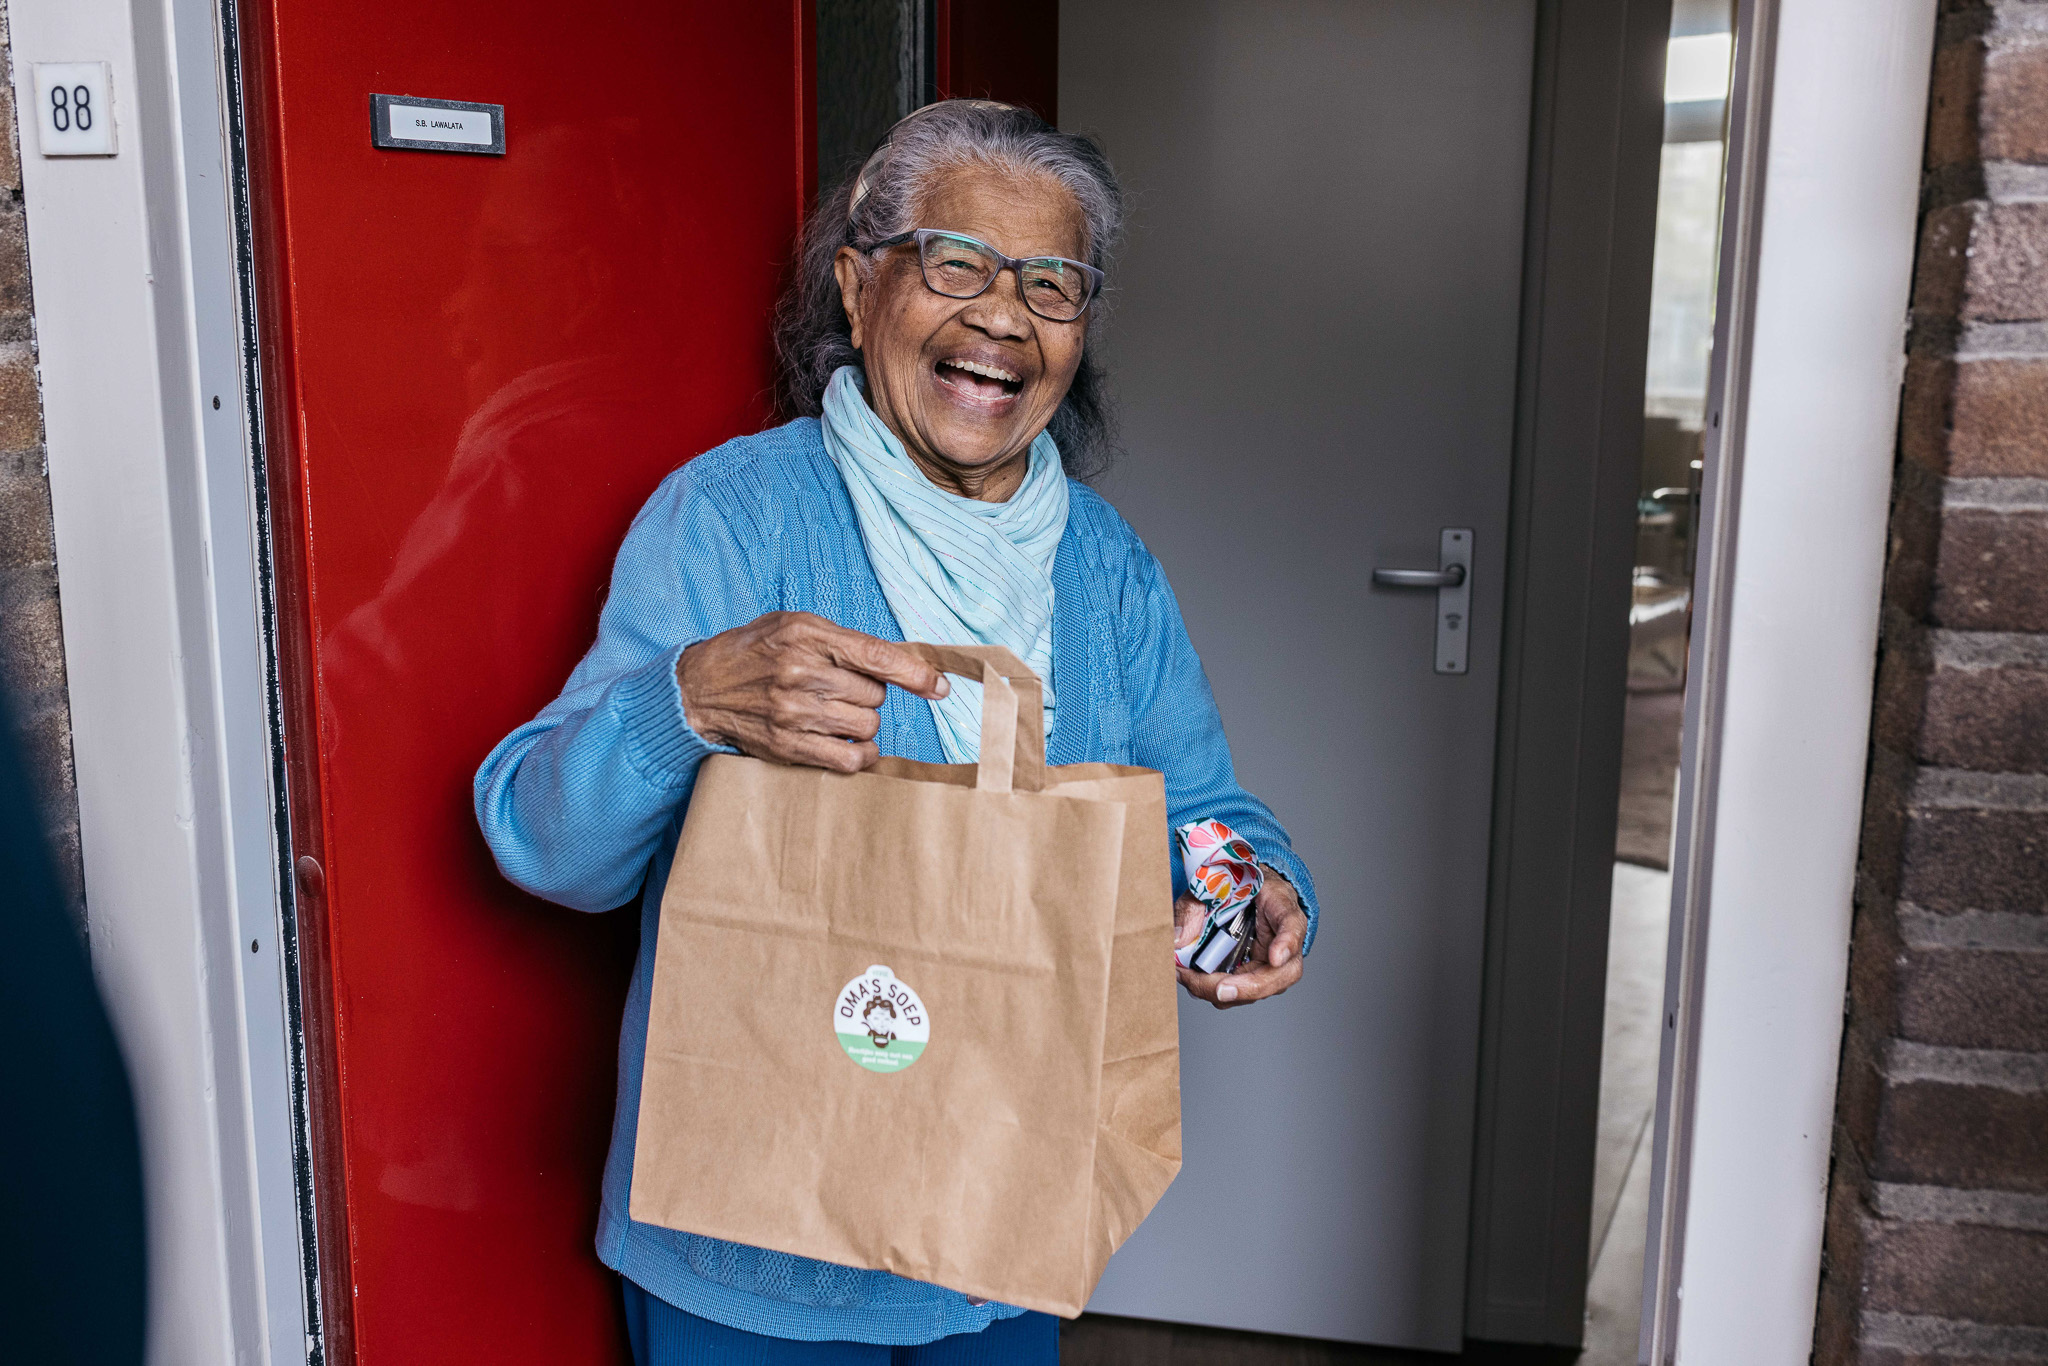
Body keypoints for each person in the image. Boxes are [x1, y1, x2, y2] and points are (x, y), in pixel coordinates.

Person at [475, 100, 1319, 1366]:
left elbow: (1201, 808)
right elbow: (541, 845)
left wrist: (1257, 888)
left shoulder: (1104, 569)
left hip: (1001, 1223)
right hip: (743, 1252)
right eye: (955, 263)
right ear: (859, 287)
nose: (1001, 316)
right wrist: (689, 700)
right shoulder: (734, 519)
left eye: (1051, 283)